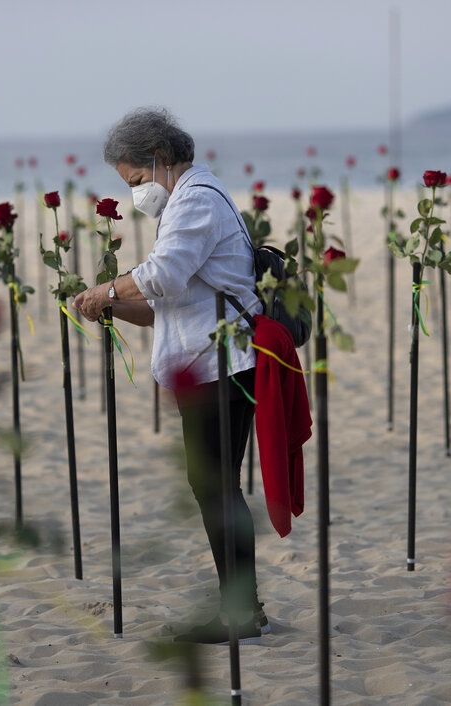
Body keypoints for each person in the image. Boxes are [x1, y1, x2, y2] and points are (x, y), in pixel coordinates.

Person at [73, 107, 266, 645]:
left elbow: (163, 274)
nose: (136, 193)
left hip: (225, 365)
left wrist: (107, 289)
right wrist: (110, 308)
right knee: (214, 486)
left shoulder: (197, 200)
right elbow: (169, 304)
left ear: (160, 159)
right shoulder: (184, 201)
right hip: (210, 361)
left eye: (135, 180)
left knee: (216, 487)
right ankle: (243, 605)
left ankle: (241, 611)